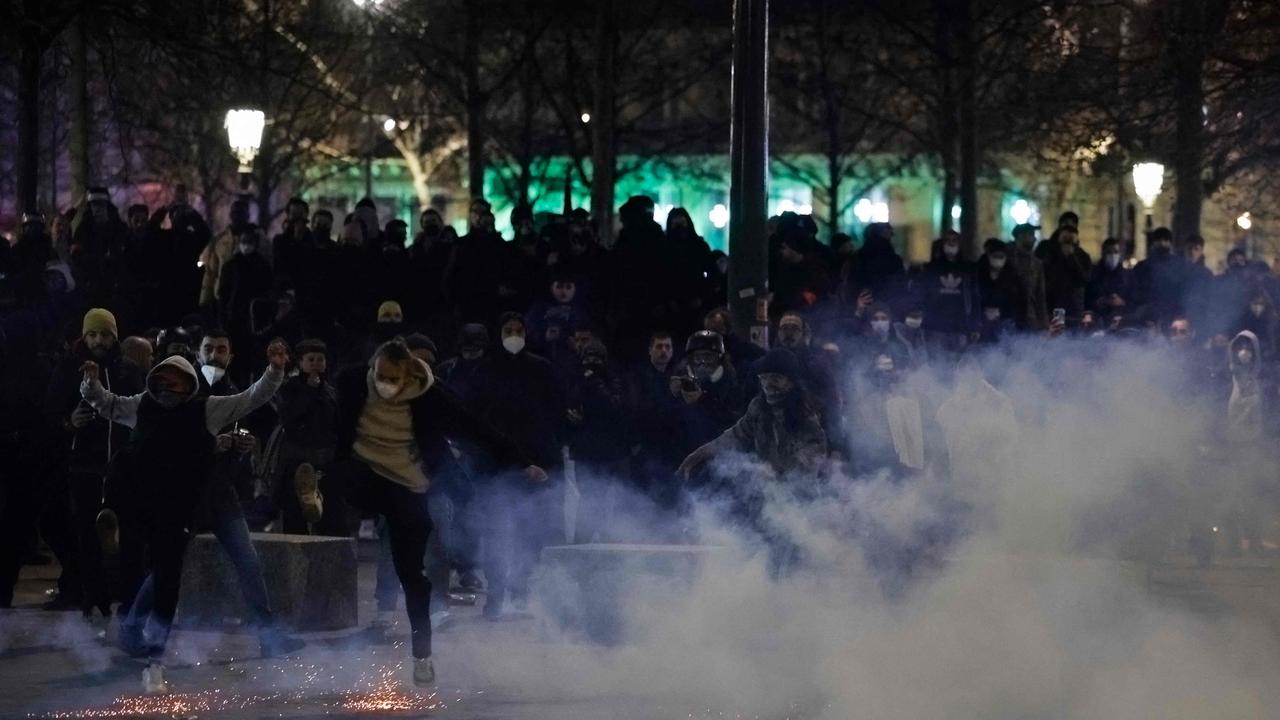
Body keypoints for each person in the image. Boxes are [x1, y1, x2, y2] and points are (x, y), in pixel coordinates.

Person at [311, 339, 546, 687]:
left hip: (412, 484)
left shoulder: (429, 395)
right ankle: (320, 498)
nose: (387, 386)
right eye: (381, 378)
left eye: (396, 380)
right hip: (365, 474)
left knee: (413, 570)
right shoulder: (352, 382)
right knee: (349, 489)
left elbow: (473, 427)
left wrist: (521, 460)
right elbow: (329, 422)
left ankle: (422, 655)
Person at [81, 340, 291, 694]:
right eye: (162, 381)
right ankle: (143, 643)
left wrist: (275, 370)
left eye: (175, 382)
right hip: (169, 505)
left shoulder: (208, 408)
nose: (167, 389)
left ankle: (267, 635)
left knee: (247, 561)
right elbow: (109, 405)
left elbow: (252, 398)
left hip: (216, 495)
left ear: (189, 383)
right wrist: (89, 386)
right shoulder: (143, 406)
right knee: (166, 573)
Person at [42, 309, 144, 620]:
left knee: (127, 534)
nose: (99, 340)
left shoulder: (128, 370)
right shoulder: (69, 369)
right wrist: (69, 423)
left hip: (121, 466)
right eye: (93, 334)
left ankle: (128, 601)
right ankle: (93, 599)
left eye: (105, 334)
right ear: (84, 336)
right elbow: (50, 414)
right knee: (86, 534)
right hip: (83, 466)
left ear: (115, 336)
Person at [467, 312, 562, 619]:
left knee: (530, 533)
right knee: (495, 534)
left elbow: (552, 420)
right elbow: (476, 420)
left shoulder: (541, 369)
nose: (513, 335)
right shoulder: (484, 369)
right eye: (508, 330)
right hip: (495, 467)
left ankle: (520, 594)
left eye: (518, 330)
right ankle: (495, 597)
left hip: (534, 465)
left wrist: (548, 464)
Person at [1009, 223, 1048, 330]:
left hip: (1030, 320)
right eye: (1031, 234)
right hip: (1011, 318)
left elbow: (1040, 295)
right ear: (1021, 236)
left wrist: (1044, 324)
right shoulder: (1007, 257)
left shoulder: (1036, 264)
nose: (1034, 238)